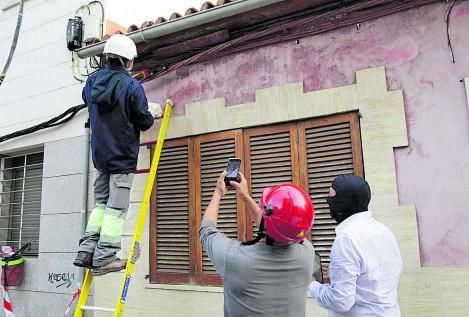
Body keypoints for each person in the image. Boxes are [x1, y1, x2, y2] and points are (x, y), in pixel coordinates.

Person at [73, 34, 163, 276]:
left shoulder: (92, 83)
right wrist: (152, 111)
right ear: (128, 62)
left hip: (100, 157)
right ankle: (104, 257)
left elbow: (88, 99)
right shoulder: (131, 86)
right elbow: (143, 122)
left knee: (100, 205)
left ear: (106, 58)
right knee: (115, 209)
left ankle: (87, 250)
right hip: (122, 157)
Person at [200, 171, 316, 317]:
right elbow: (281, 227)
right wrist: (245, 196)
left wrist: (218, 192)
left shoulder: (235, 259)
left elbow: (207, 231)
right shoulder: (306, 253)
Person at [309, 175, 403, 316]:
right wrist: (337, 273)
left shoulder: (347, 239)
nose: (328, 201)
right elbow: (378, 274)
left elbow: (340, 301)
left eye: (331, 196)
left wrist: (311, 285)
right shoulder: (384, 231)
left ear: (343, 202)